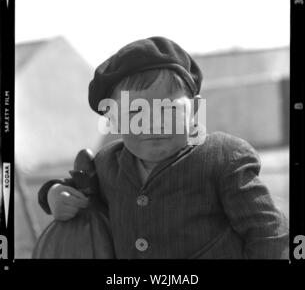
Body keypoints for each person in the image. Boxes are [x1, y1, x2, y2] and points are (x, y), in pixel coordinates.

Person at [38, 36, 289, 259]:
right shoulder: (107, 163)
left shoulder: (223, 158)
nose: (153, 124)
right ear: (113, 119)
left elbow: (268, 232)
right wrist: (53, 194)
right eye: (135, 112)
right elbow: (75, 191)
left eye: (168, 109)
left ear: (195, 111)